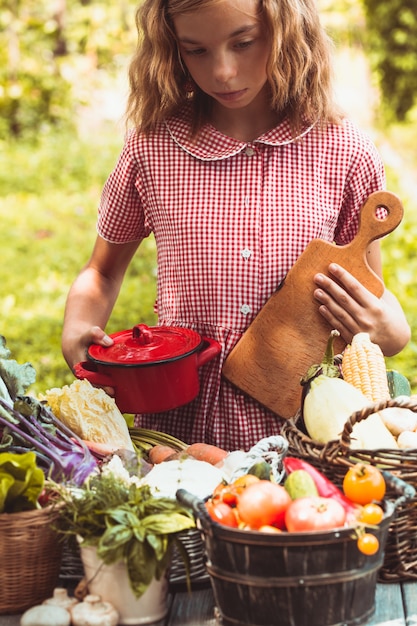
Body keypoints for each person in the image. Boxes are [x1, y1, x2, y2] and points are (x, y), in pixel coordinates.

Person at [61, 0, 410, 451]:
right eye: (196, 50)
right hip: (176, 438)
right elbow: (102, 272)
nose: (223, 71)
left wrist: (388, 327)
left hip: (302, 438)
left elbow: (366, 298)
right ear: (171, 47)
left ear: (286, 29)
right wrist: (77, 328)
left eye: (243, 43)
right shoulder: (151, 149)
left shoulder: (344, 150)